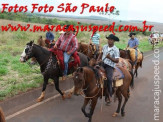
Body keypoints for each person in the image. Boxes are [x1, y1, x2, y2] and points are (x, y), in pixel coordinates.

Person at [97, 34, 120, 103]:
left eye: (111, 40)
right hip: (103, 63)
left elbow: (117, 60)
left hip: (110, 66)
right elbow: (101, 53)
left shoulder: (116, 49)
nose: (109, 41)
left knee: (109, 79)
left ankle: (110, 95)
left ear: (113, 41)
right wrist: (98, 60)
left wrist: (109, 57)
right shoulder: (104, 46)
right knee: (93, 70)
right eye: (108, 39)